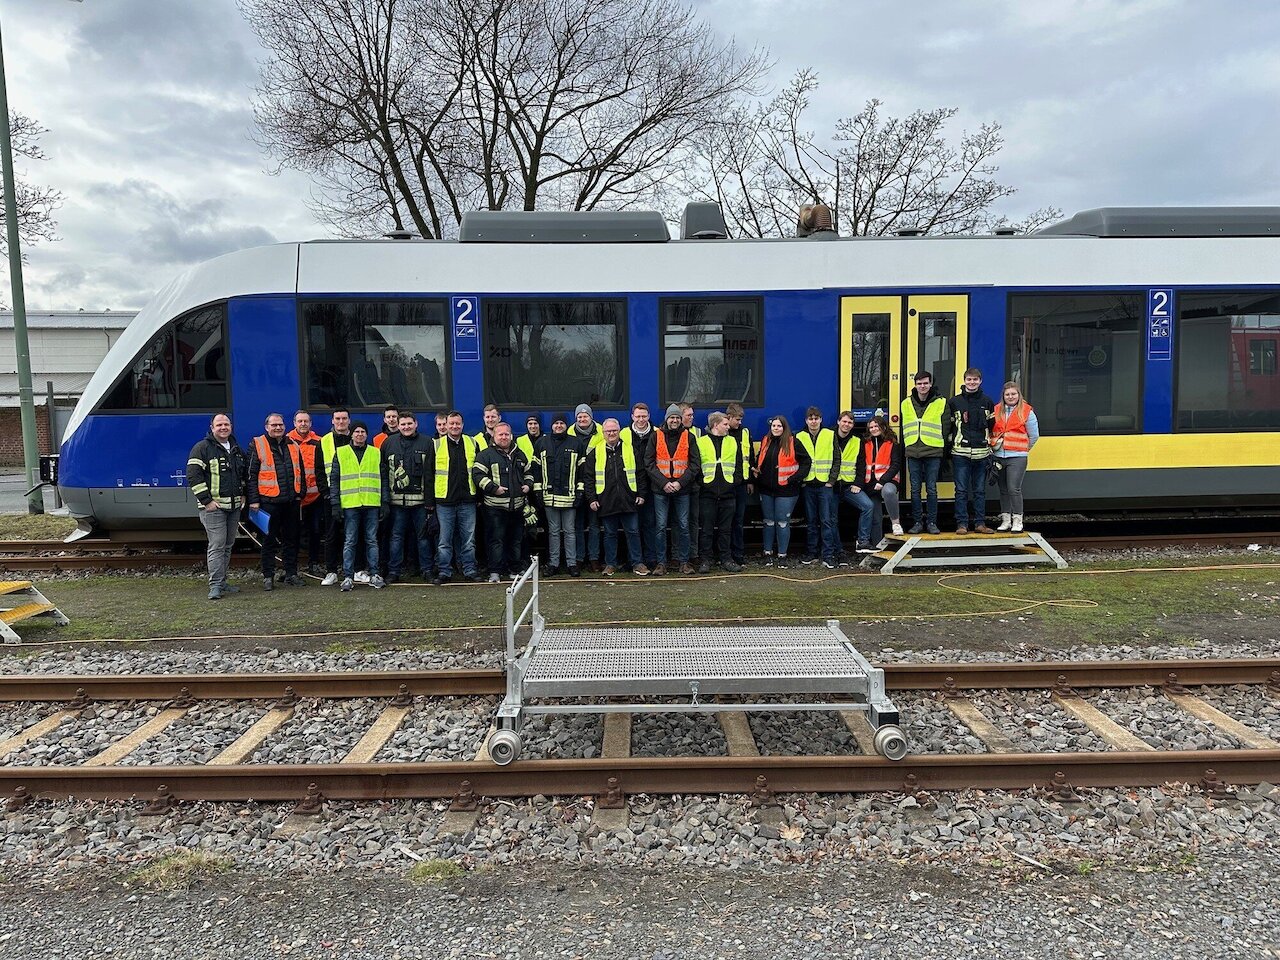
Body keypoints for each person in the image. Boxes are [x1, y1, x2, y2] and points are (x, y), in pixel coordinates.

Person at [187, 412, 246, 600]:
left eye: (226, 424)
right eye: (219, 425)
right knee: (217, 545)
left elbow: (242, 475)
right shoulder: (202, 448)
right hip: (214, 508)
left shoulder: (236, 448)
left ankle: (222, 582)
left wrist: (243, 495)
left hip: (234, 506)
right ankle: (214, 586)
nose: (223, 427)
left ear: (231, 427)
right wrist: (207, 501)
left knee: (228, 545)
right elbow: (193, 476)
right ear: (212, 427)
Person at [329, 421, 388, 591]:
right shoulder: (341, 453)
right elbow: (334, 480)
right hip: (350, 504)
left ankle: (375, 574)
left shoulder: (375, 453)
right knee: (350, 541)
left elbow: (383, 479)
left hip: (371, 503)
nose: (360, 434)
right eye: (357, 431)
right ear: (351, 434)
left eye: (363, 431)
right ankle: (348, 577)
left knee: (371, 540)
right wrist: (335, 504)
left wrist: (384, 502)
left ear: (367, 435)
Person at [248, 412, 303, 590]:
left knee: (291, 540)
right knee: (269, 540)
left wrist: (299, 493)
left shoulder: (293, 444)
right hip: (268, 502)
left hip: (291, 502)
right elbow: (250, 475)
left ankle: (291, 574)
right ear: (266, 427)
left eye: (280, 424)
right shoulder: (257, 444)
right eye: (274, 425)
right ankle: (268, 576)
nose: (278, 427)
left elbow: (300, 470)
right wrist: (254, 500)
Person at [587, 418, 649, 576]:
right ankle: (610, 564)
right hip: (606, 500)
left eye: (614, 430)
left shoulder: (630, 449)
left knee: (633, 532)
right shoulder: (595, 452)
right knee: (609, 534)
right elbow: (588, 478)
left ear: (619, 431)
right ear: (603, 433)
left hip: (629, 499)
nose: (611, 433)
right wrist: (592, 498)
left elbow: (641, 473)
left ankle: (638, 563)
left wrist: (641, 494)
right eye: (608, 431)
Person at [474, 422, 534, 581]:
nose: (504, 437)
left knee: (516, 540)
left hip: (518, 507)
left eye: (506, 434)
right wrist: (494, 488)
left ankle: (515, 570)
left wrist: (528, 485)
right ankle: (495, 572)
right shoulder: (485, 455)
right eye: (500, 434)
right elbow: (477, 476)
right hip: (495, 508)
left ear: (511, 435)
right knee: (496, 540)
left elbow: (529, 473)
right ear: (494, 436)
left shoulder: (520, 454)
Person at [645, 403, 700, 575]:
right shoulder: (656, 436)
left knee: (683, 526)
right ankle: (661, 563)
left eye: (677, 417)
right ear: (667, 419)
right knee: (660, 527)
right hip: (661, 490)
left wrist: (679, 483)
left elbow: (695, 465)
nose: (674, 420)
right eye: (671, 417)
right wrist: (664, 483)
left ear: (680, 419)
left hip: (682, 490)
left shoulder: (689, 437)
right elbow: (649, 463)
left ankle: (684, 562)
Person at [382, 411, 435, 583]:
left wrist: (429, 502)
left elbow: (431, 475)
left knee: (423, 538)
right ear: (397, 426)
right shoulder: (388, 443)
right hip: (396, 502)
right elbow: (383, 473)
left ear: (416, 424)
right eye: (403, 424)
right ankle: (394, 572)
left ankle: (427, 570)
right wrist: (385, 500)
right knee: (396, 538)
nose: (406, 427)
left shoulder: (427, 443)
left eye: (409, 424)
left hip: (420, 503)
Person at [753, 415, 809, 568]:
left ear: (784, 428)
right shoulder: (766, 441)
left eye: (779, 426)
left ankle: (782, 555)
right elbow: (759, 459)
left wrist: (793, 479)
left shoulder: (793, 442)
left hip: (787, 491)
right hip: (766, 489)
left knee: (783, 522)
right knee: (768, 522)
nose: (776, 429)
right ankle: (767, 553)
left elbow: (806, 463)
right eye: (773, 426)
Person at [434, 410, 481, 584]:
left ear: (462, 425)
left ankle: (469, 570)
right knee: (444, 540)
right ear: (445, 425)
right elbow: (429, 474)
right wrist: (430, 502)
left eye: (457, 423)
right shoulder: (436, 445)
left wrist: (479, 497)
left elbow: (478, 472)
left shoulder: (472, 443)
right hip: (444, 501)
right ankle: (444, 572)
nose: (454, 426)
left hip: (468, 500)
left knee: (469, 540)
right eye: (451, 423)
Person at [534, 413, 584, 576]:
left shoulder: (576, 443)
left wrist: (579, 491)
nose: (559, 426)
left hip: (570, 497)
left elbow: (582, 471)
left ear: (566, 425)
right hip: (549, 497)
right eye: (556, 423)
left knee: (570, 531)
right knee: (553, 532)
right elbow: (536, 470)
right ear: (551, 425)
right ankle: (553, 564)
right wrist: (538, 491)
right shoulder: (542, 442)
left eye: (562, 423)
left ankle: (571, 564)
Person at [949, 367, 996, 534]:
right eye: (969, 379)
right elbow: (950, 426)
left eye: (975, 380)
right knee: (961, 491)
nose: (972, 382)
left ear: (980, 381)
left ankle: (980, 524)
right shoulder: (954, 402)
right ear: (964, 381)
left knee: (979, 491)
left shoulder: (987, 401)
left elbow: (992, 425)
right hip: (960, 453)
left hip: (981, 454)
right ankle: (962, 524)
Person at [696, 411, 744, 573]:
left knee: (726, 530)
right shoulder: (701, 442)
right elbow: (696, 466)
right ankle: (706, 560)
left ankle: (726, 559)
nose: (728, 426)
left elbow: (738, 466)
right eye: (725, 424)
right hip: (707, 493)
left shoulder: (732, 441)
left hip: (728, 493)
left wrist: (734, 483)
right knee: (706, 530)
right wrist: (702, 484)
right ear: (715, 425)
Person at [900, 373, 947, 535]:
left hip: (933, 451)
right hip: (913, 451)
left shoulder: (941, 402)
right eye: (919, 383)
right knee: (914, 489)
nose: (922, 386)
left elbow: (946, 426)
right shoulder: (906, 403)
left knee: (932, 489)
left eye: (925, 383)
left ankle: (932, 522)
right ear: (915, 384)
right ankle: (918, 522)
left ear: (930, 383)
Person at [991, 382, 1039, 532]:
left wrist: (1023, 449)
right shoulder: (996, 410)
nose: (1010, 397)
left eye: (1013, 394)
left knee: (1014, 489)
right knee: (1003, 490)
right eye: (1007, 394)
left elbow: (1034, 436)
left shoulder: (1026, 411)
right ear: (1003, 396)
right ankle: (1006, 521)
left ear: (1019, 395)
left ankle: (1018, 521)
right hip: (999, 456)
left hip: (1017, 457)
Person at [831, 410, 877, 560]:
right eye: (844, 421)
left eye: (850, 422)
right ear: (838, 422)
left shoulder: (857, 441)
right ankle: (837, 549)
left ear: (853, 425)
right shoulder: (828, 437)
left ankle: (862, 542)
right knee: (832, 518)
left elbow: (861, 465)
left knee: (868, 506)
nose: (846, 425)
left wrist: (858, 483)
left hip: (849, 486)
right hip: (831, 486)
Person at [287, 410, 328, 574]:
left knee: (315, 531)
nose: (303, 424)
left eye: (306, 421)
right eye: (300, 421)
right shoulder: (286, 441)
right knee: (292, 533)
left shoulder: (319, 442)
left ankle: (314, 563)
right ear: (294, 423)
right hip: (294, 496)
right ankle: (292, 566)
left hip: (315, 496)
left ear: (311, 424)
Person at [853, 415, 905, 546]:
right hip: (870, 484)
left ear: (883, 427)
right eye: (871, 427)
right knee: (876, 518)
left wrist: (882, 481)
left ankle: (896, 523)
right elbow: (861, 464)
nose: (873, 429)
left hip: (888, 481)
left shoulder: (892, 443)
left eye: (876, 426)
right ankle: (877, 546)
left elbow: (896, 464)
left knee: (888, 492)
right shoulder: (865, 443)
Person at [620, 402, 659, 571]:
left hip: (653, 485)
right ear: (632, 417)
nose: (641, 419)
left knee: (650, 524)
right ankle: (633, 559)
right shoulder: (624, 434)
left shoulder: (657, 433)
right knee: (632, 527)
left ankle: (651, 559)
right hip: (630, 485)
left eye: (644, 416)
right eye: (638, 416)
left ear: (649, 416)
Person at [796, 406, 836, 568]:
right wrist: (801, 481)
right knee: (811, 521)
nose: (813, 421)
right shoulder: (799, 436)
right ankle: (812, 553)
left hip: (825, 485)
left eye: (816, 418)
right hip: (808, 485)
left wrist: (831, 481)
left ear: (821, 419)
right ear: (806, 420)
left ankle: (828, 555)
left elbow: (836, 459)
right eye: (810, 419)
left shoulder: (829, 434)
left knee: (826, 521)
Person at [319, 407, 353, 585]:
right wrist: (326, 493)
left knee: (353, 534)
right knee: (331, 535)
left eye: (344, 419)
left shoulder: (357, 438)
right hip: (332, 497)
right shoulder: (323, 442)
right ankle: (331, 571)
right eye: (338, 419)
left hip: (354, 496)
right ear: (332, 421)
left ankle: (356, 570)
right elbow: (319, 469)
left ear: (349, 420)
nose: (341, 422)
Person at [569, 403, 605, 570]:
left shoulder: (601, 433)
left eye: (585, 416)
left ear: (591, 417)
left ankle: (594, 558)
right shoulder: (568, 433)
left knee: (594, 525)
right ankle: (579, 558)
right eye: (579, 416)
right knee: (577, 525)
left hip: (594, 486)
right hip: (574, 486)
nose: (582, 419)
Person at [725, 403, 752, 566]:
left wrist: (749, 481)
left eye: (741, 419)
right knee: (726, 521)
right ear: (728, 418)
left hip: (741, 483)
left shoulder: (745, 433)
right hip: (726, 485)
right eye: (737, 419)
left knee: (739, 521)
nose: (739, 422)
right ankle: (725, 553)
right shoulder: (722, 432)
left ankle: (738, 553)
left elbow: (749, 458)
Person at [680, 403, 702, 563]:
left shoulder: (698, 432)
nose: (692, 418)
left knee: (693, 521)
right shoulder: (668, 433)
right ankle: (678, 556)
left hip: (693, 483)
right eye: (689, 415)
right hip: (678, 485)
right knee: (678, 521)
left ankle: (693, 554)